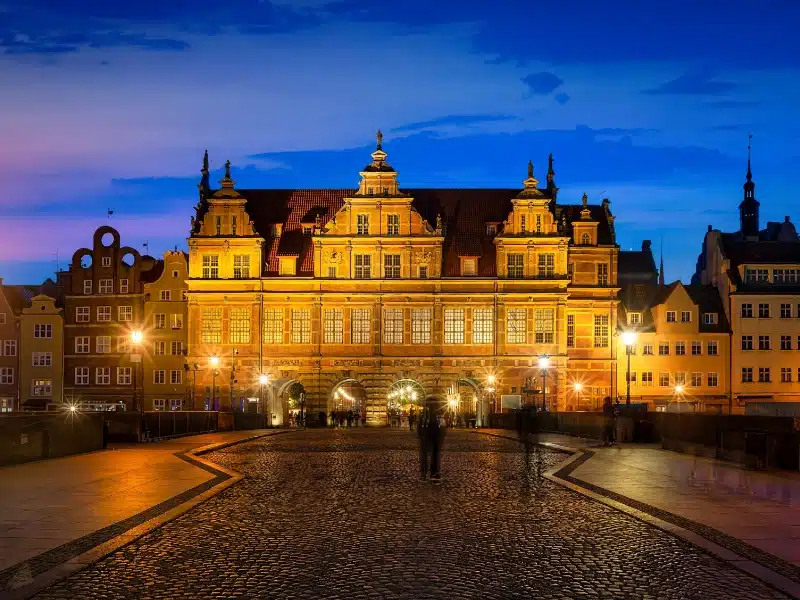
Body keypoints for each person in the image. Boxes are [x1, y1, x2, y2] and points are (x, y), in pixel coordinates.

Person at [417, 394, 446, 482]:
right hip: (435, 435)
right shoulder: (439, 414)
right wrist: (442, 437)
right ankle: (435, 473)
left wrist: (419, 435)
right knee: (435, 454)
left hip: (426, 434)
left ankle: (423, 474)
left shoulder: (424, 414)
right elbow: (443, 426)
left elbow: (419, 425)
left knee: (424, 454)